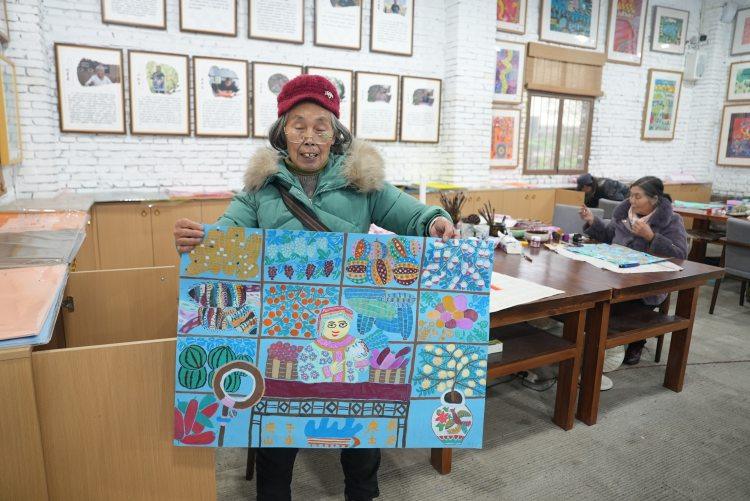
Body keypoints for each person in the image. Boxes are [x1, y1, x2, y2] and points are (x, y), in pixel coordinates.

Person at [173, 74, 457, 501]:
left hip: (349, 324)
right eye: (299, 126)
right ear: (282, 131)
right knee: (276, 431)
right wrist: (199, 239)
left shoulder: (363, 182)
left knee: (360, 428)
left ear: (335, 133)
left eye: (321, 127)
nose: (309, 137)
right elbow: (227, 238)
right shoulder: (260, 189)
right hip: (285, 328)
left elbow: (412, 214)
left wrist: (434, 221)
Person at [579, 176, 688, 377]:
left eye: (638, 197)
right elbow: (608, 237)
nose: (632, 201)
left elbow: (681, 255)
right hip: (614, 276)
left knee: (615, 308)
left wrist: (652, 237)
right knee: (590, 298)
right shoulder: (624, 214)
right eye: (631, 195)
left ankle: (636, 341)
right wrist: (592, 221)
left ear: (654, 199)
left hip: (648, 284)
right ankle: (593, 344)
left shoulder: (672, 221)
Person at [298, 306, 370, 383]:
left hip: (350, 388)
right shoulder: (313, 348)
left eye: (342, 324)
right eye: (331, 325)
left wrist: (359, 360)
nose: (336, 329)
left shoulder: (356, 343)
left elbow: (363, 371)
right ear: (322, 326)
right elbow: (304, 375)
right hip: (322, 389)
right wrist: (329, 371)